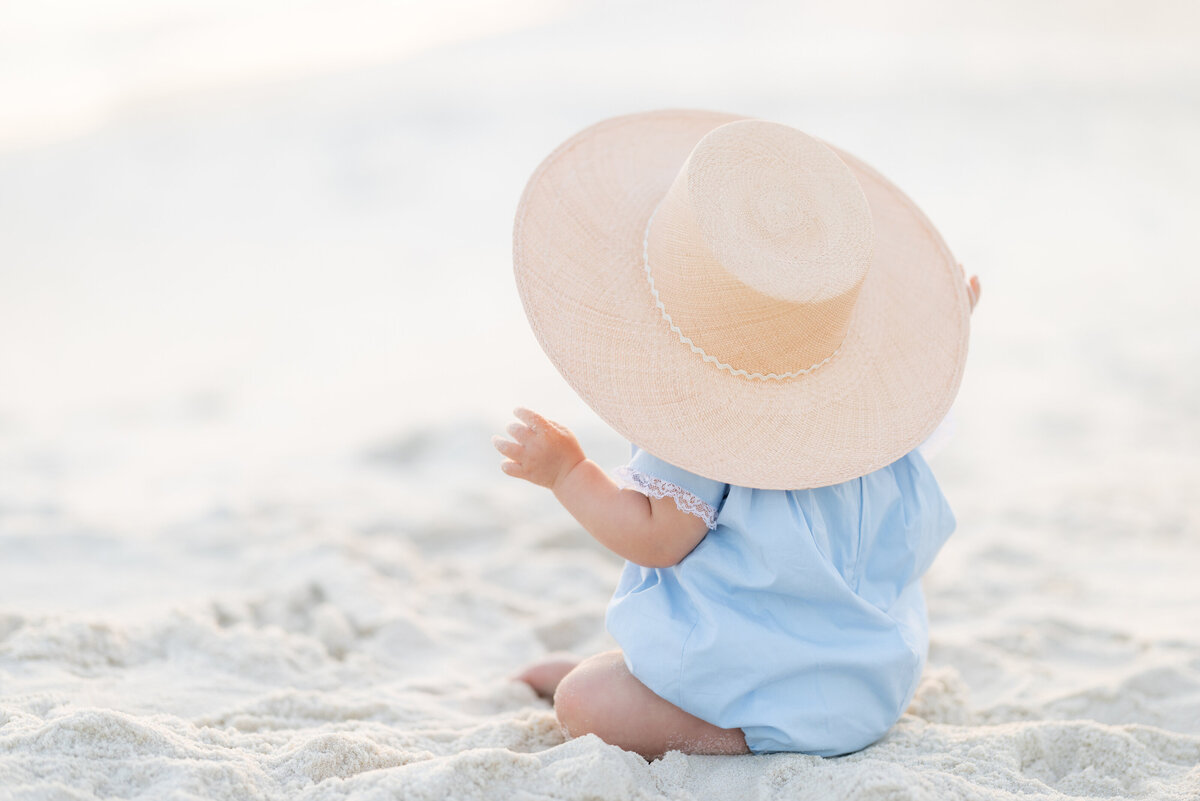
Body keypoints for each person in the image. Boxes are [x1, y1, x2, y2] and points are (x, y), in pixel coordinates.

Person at [495, 110, 980, 760]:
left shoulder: (709, 426)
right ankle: (661, 674)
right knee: (678, 632)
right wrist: (948, 322)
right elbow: (921, 385)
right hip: (871, 681)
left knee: (581, 701)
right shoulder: (868, 419)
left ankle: (725, 732)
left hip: (772, 690)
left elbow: (655, 536)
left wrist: (567, 472)